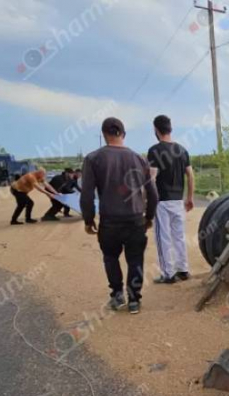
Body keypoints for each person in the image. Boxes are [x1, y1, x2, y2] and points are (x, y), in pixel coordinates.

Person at [81, 118, 158, 315]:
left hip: (109, 221)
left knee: (110, 257)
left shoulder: (93, 159)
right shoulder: (139, 159)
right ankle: (134, 300)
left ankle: (117, 296)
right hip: (135, 220)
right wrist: (149, 217)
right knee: (135, 259)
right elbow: (153, 193)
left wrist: (88, 220)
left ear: (104, 134)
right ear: (123, 134)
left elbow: (87, 194)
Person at [147, 115, 195, 285]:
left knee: (164, 238)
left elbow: (152, 178)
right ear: (170, 128)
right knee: (179, 236)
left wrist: (149, 201)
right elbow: (190, 174)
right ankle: (183, 270)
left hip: (162, 201)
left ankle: (168, 274)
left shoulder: (155, 150)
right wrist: (189, 197)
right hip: (178, 201)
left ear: (156, 129)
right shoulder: (182, 150)